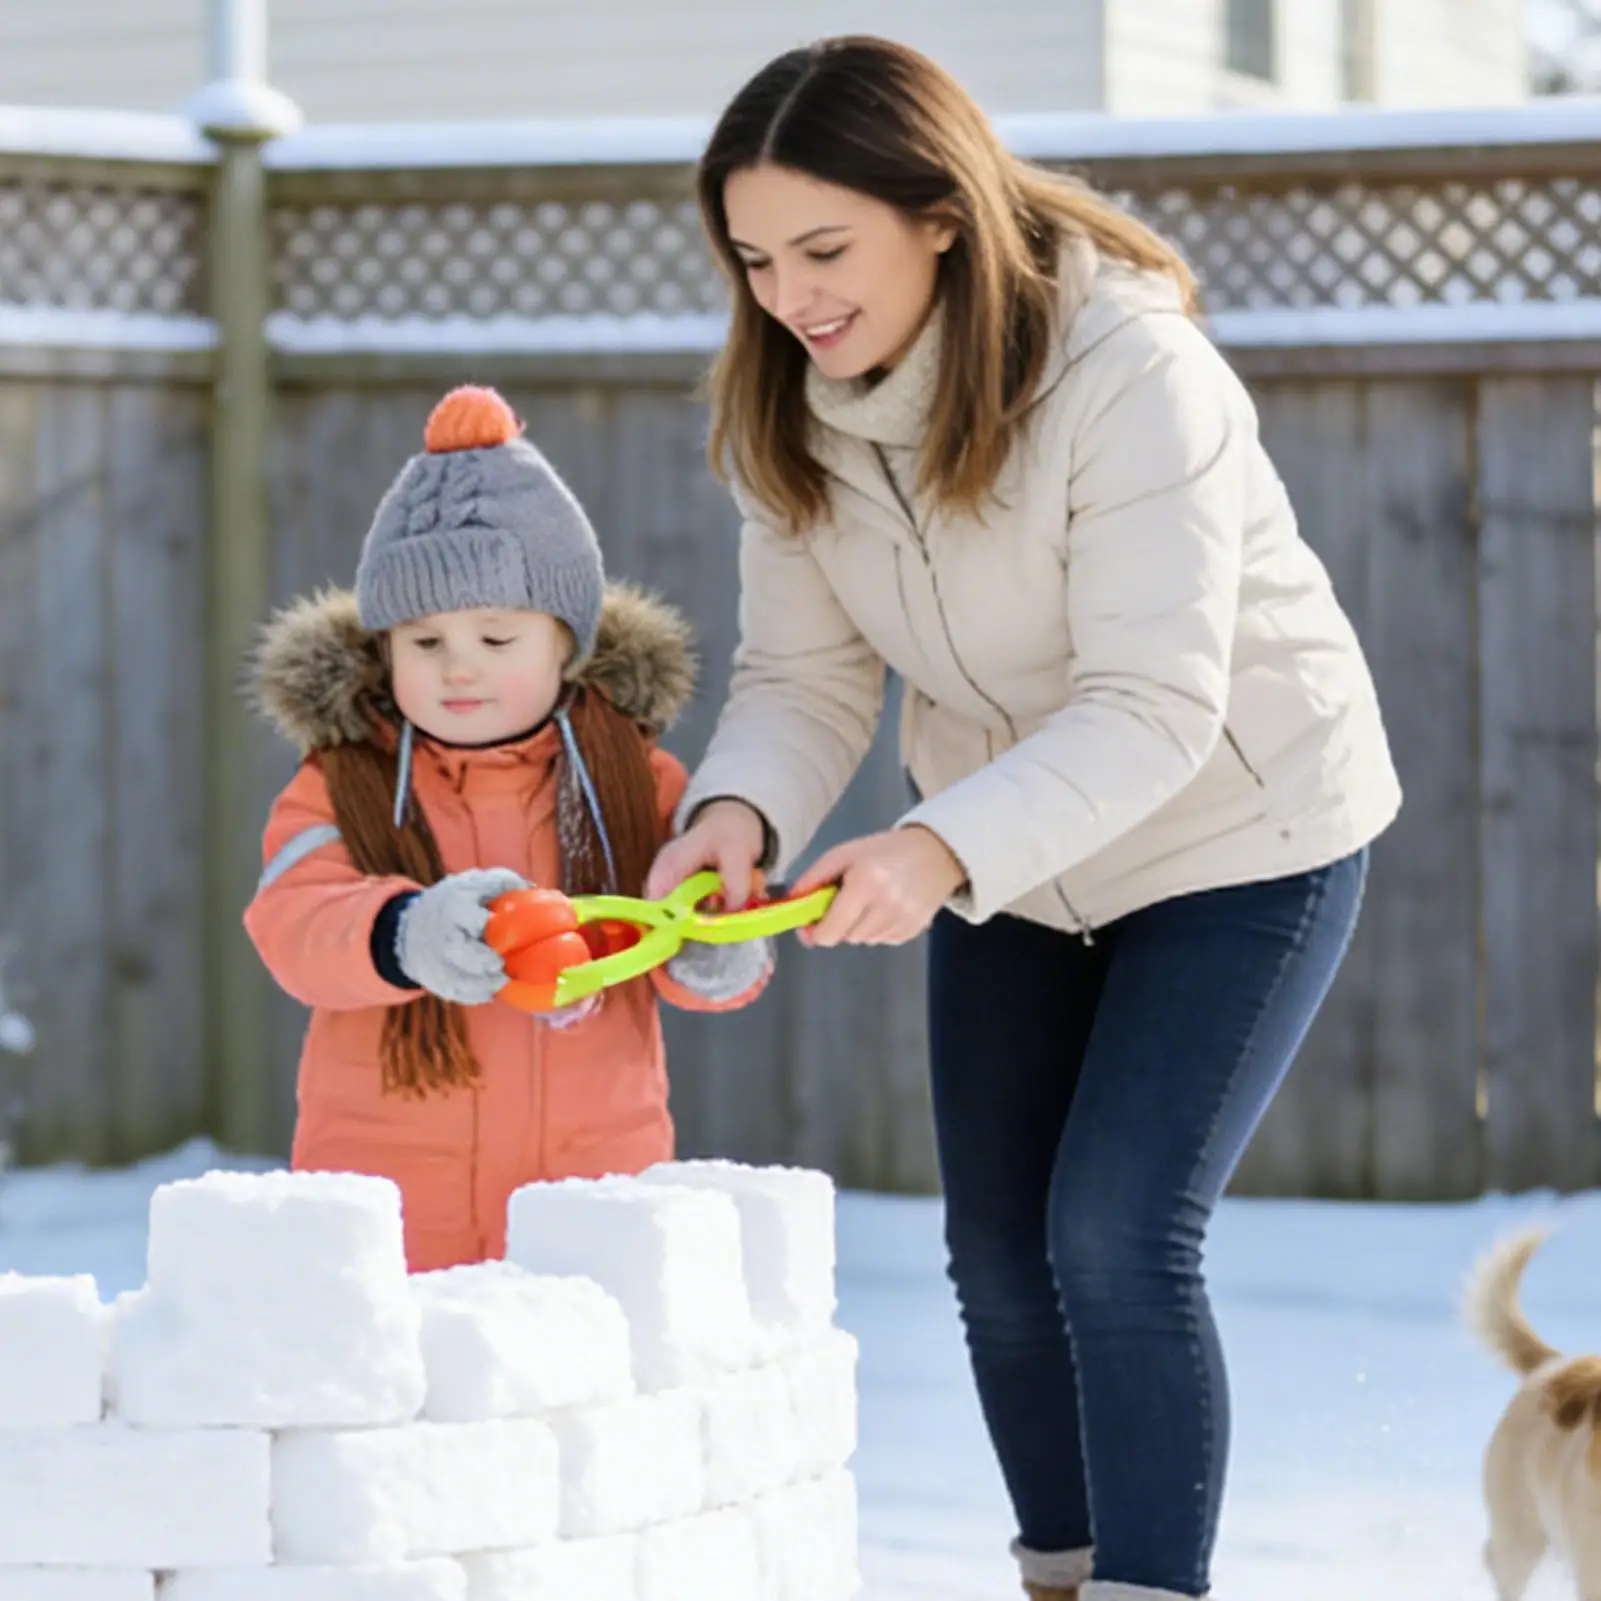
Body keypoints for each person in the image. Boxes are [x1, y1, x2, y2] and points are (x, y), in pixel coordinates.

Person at [646, 35, 1401, 1601]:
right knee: (996, 1264)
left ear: (939, 213)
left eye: (824, 249)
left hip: (1235, 830)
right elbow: (803, 673)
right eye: (756, 258)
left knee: (1116, 1234)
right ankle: (1054, 1577)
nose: (789, 294)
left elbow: (1152, 706)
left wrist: (934, 850)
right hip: (1007, 845)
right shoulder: (792, 407)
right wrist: (736, 810)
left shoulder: (1130, 374)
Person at [245, 384, 771, 1273]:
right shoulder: (342, 781)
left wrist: (714, 949)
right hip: (391, 1194)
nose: (458, 671)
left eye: (495, 641)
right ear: (384, 649)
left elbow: (688, 910)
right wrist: (404, 932)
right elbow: (293, 921)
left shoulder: (632, 779)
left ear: (565, 643)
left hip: (591, 1190)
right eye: (422, 643)